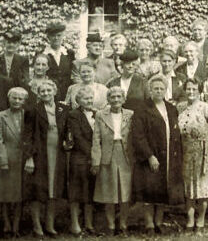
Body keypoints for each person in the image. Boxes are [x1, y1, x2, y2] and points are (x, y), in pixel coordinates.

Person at [131, 75, 184, 233]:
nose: (158, 91)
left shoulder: (171, 108)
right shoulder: (142, 109)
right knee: (149, 192)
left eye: (161, 88)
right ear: (150, 90)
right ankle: (149, 224)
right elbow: (138, 136)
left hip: (168, 156)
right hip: (150, 156)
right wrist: (149, 156)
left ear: (165, 90)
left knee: (162, 190)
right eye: (155, 88)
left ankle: (159, 222)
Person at [178, 77, 208, 233]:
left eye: (194, 89)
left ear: (199, 91)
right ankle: (190, 221)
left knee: (204, 189)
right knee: (190, 189)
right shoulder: (180, 108)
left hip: (205, 153)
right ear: (185, 90)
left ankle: (200, 220)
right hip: (187, 153)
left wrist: (206, 135)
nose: (191, 92)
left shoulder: (206, 107)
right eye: (188, 89)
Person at [22, 79, 67, 237]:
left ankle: (49, 225)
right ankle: (36, 225)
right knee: (37, 190)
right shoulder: (33, 110)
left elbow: (68, 132)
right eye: (42, 91)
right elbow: (27, 135)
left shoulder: (63, 109)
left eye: (49, 90)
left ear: (54, 91)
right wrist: (29, 158)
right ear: (38, 94)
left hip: (58, 154)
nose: (46, 93)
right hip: (40, 154)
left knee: (53, 189)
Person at [92, 86, 134, 234]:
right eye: (113, 97)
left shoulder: (131, 114)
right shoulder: (100, 115)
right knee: (109, 192)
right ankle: (110, 225)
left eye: (119, 97)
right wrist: (96, 161)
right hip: (107, 155)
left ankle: (123, 224)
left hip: (125, 156)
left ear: (123, 99)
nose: (116, 100)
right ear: (108, 99)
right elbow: (96, 139)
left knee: (125, 192)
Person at [0, 87, 28, 237]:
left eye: (20, 99)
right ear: (9, 99)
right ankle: (6, 224)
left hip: (24, 161)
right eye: (14, 98)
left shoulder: (28, 115)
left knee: (19, 194)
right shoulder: (0, 117)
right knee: (5, 194)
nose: (17, 101)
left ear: (25, 101)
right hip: (6, 159)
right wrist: (3, 160)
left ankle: (16, 226)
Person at [65, 86, 97, 235]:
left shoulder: (97, 114)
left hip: (94, 158)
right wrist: (92, 154)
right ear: (78, 101)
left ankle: (89, 224)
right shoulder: (73, 115)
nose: (89, 101)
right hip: (80, 157)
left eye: (91, 98)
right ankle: (75, 224)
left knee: (90, 191)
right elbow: (77, 137)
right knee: (76, 191)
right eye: (86, 98)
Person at [43, 22, 75, 102]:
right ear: (48, 37)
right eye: (53, 35)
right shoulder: (42, 54)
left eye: (59, 35)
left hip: (67, 93)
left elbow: (72, 73)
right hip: (49, 94)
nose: (56, 38)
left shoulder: (69, 53)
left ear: (62, 36)